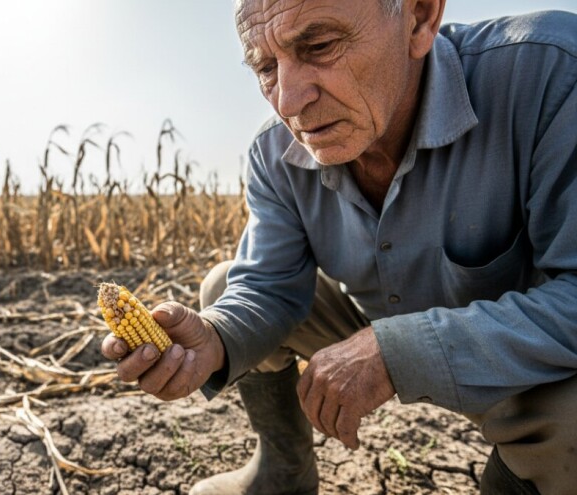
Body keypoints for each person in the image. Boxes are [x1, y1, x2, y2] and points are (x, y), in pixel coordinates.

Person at [101, 0, 577, 493]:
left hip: (533, 364)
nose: (287, 101)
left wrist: (398, 352)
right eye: (266, 67)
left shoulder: (553, 74)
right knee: (224, 287)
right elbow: (268, 287)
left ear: (418, 17)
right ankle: (283, 472)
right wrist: (216, 340)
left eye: (320, 46)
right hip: (376, 319)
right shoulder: (275, 152)